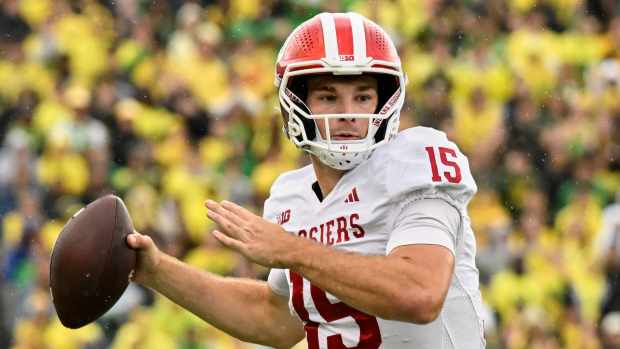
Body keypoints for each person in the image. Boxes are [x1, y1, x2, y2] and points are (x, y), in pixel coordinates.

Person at [127, 12, 485, 348]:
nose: (348, 114)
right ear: (295, 102)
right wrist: (158, 271)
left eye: (362, 97)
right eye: (329, 97)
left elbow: (420, 294)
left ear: (385, 102)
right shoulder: (290, 197)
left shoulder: (416, 160)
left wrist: (292, 250)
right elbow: (274, 318)